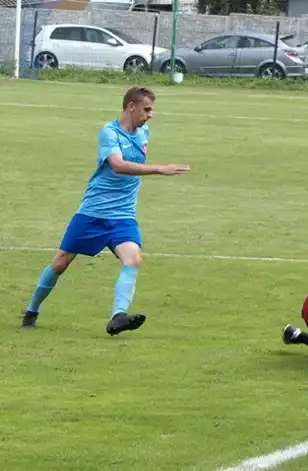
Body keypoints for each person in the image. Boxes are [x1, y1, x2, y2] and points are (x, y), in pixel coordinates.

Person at [21, 86, 191, 335]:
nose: (150, 115)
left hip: (123, 215)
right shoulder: (109, 132)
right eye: (147, 109)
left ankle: (118, 317)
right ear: (131, 107)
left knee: (133, 259)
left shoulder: (144, 132)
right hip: (94, 212)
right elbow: (118, 166)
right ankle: (31, 310)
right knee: (60, 263)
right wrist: (159, 169)